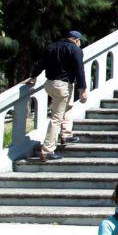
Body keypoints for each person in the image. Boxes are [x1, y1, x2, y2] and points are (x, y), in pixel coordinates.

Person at [26, 30, 88, 163]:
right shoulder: (75, 50)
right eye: (80, 42)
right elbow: (80, 70)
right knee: (56, 118)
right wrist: (83, 89)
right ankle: (47, 150)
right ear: (76, 40)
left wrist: (33, 77)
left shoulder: (52, 47)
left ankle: (66, 134)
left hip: (49, 84)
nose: (80, 44)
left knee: (68, 105)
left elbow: (41, 64)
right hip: (63, 86)